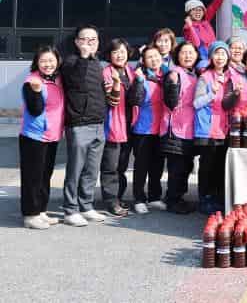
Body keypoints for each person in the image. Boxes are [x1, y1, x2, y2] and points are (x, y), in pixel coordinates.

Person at [60, 25, 107, 227]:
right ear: (77, 42)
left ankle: (86, 206)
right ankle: (70, 210)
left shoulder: (97, 63)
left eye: (93, 40)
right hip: (79, 124)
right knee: (75, 169)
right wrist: (84, 57)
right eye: (84, 39)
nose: (88, 43)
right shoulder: (70, 61)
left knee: (91, 170)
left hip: (98, 123)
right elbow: (77, 82)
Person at [19, 46, 64, 230]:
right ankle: (30, 215)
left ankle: (41, 211)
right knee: (32, 177)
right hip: (34, 137)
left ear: (57, 61)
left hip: (52, 136)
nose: (48, 64)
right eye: (43, 61)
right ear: (37, 63)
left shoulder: (57, 79)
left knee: (45, 175)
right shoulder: (32, 81)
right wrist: (37, 91)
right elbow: (35, 110)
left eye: (51, 60)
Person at [193, 41, 240, 214]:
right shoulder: (205, 77)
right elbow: (196, 103)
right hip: (207, 129)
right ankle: (204, 199)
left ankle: (217, 199)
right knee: (207, 166)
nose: (220, 57)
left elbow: (228, 105)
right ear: (211, 57)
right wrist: (211, 94)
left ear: (228, 57)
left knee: (220, 166)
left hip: (224, 129)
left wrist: (236, 94)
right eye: (216, 53)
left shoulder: (231, 78)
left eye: (223, 54)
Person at [127, 46, 167, 215]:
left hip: (161, 129)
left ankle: (154, 197)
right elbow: (134, 100)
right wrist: (139, 81)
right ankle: (139, 199)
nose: (153, 59)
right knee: (141, 166)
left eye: (156, 56)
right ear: (143, 61)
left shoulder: (165, 76)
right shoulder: (140, 77)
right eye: (149, 57)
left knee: (157, 165)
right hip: (143, 129)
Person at [161, 41, 200, 214]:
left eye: (191, 52)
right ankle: (172, 200)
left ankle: (179, 198)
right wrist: (173, 85)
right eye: (184, 52)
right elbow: (170, 102)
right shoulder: (174, 74)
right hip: (175, 128)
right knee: (177, 168)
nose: (188, 56)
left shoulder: (194, 74)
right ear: (177, 56)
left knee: (186, 166)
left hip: (189, 128)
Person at [99, 39, 136, 217]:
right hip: (113, 123)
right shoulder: (107, 73)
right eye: (115, 52)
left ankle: (118, 197)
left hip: (129, 124)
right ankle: (111, 201)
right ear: (109, 55)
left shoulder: (130, 71)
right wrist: (115, 83)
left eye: (122, 51)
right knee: (110, 166)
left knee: (122, 165)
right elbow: (111, 100)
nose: (119, 55)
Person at [183, 0, 236, 69]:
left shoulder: (205, 21)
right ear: (189, 13)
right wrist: (190, 26)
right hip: (201, 58)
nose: (198, 12)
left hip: (213, 53)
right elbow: (196, 43)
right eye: (194, 10)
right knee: (204, 67)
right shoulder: (187, 27)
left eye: (200, 10)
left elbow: (213, 7)